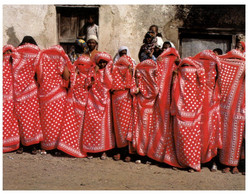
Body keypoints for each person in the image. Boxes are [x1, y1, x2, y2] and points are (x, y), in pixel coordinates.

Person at [34, 45, 72, 154]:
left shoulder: (41, 59)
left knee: (46, 121)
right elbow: (66, 76)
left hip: (44, 93)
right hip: (57, 94)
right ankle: (56, 146)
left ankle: (46, 145)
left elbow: (38, 76)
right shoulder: (60, 59)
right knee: (57, 121)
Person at [11, 36, 43, 155]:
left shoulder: (18, 56)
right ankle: (22, 145)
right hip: (20, 91)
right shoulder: (16, 56)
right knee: (20, 119)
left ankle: (33, 145)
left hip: (30, 91)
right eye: (25, 44)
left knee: (32, 118)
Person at [57, 55, 94, 158]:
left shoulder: (89, 76)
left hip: (84, 105)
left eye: (84, 65)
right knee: (71, 125)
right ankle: (69, 147)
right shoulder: (75, 75)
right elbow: (71, 83)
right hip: (73, 103)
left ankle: (80, 148)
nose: (82, 67)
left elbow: (89, 86)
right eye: (80, 64)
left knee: (82, 128)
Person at [82, 52, 115, 160]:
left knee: (104, 126)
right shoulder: (92, 72)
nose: (102, 65)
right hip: (93, 101)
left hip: (105, 101)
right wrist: (92, 77)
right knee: (91, 124)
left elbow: (109, 85)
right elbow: (87, 83)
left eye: (104, 63)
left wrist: (105, 71)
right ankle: (91, 149)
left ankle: (103, 151)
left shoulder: (108, 72)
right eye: (100, 62)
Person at [217, 49, 245, 174]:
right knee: (228, 136)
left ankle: (235, 165)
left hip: (241, 106)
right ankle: (226, 164)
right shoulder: (228, 66)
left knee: (239, 138)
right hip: (228, 106)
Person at [127, 59, 159, 161]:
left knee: (145, 130)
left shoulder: (150, 83)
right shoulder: (153, 85)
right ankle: (141, 154)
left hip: (147, 105)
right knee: (144, 130)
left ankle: (144, 154)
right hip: (143, 106)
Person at [111, 55, 135, 162]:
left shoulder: (131, 72)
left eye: (124, 65)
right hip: (116, 101)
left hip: (126, 100)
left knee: (127, 127)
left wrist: (131, 72)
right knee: (118, 128)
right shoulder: (114, 71)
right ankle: (120, 151)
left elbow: (132, 86)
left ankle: (128, 152)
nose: (121, 68)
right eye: (120, 65)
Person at [3, 45, 20, 153]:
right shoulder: (11, 64)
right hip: (8, 96)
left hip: (11, 96)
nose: (8, 54)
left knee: (10, 118)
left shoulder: (14, 64)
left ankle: (10, 144)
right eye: (6, 52)